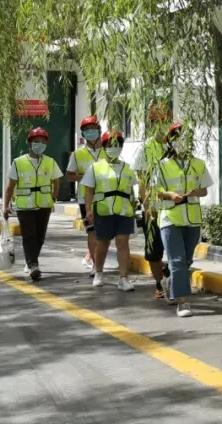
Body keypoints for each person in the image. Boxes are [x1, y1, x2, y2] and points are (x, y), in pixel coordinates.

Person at [151, 122, 213, 317]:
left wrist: (195, 191)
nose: (181, 141)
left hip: (192, 219)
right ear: (170, 141)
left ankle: (168, 282)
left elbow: (204, 189)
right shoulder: (162, 165)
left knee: (186, 260)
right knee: (177, 260)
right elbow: (154, 192)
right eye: (176, 137)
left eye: (185, 137)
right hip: (170, 218)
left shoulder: (198, 164)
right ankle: (183, 301)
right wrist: (169, 195)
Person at [2, 128, 63, 281]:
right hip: (24, 205)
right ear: (29, 143)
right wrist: (5, 205)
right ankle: (33, 265)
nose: (39, 145)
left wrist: (53, 197)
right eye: (36, 142)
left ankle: (31, 261)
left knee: (40, 237)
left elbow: (56, 181)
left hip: (44, 204)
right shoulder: (18, 162)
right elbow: (10, 186)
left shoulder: (50, 162)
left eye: (42, 142)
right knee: (29, 236)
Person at [83, 130, 136, 292]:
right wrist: (88, 210)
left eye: (118, 145)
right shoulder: (95, 167)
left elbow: (131, 191)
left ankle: (123, 278)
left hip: (124, 211)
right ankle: (98, 272)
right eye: (111, 145)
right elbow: (89, 190)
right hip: (104, 210)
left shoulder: (127, 168)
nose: (114, 148)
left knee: (122, 243)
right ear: (104, 147)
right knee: (103, 243)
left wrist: (134, 207)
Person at [133, 104, 172, 299]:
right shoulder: (145, 148)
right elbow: (142, 180)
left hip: (176, 207)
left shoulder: (177, 144)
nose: (161, 126)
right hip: (154, 206)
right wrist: (147, 206)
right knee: (153, 248)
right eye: (157, 122)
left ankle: (170, 275)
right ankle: (159, 283)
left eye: (164, 121)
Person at [66, 115, 106, 275]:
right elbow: (69, 175)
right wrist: (87, 177)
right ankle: (97, 266)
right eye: (87, 130)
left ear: (99, 130)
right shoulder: (78, 154)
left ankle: (97, 258)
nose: (91, 132)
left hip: (107, 197)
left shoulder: (108, 150)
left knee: (105, 233)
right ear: (83, 134)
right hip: (85, 198)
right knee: (92, 231)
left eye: (93, 129)